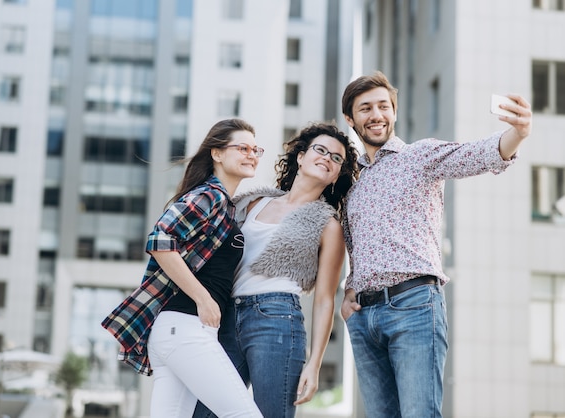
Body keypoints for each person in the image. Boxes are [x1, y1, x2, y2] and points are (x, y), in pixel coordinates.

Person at [339, 71, 532, 418]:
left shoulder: (419, 156)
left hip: (413, 306)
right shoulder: (351, 183)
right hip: (364, 317)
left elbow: (479, 154)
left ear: (394, 112)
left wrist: (517, 133)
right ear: (350, 119)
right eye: (365, 108)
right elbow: (355, 246)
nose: (376, 115)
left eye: (383, 106)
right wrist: (349, 291)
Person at [194, 122, 359, 418]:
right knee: (204, 412)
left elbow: (324, 300)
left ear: (337, 174)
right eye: (320, 150)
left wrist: (315, 363)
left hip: (278, 321)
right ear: (300, 157)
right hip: (227, 316)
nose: (327, 158)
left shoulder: (328, 224)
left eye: (337, 158)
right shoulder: (253, 202)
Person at [101, 118, 264, 418]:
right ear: (217, 153)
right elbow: (160, 240)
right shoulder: (209, 195)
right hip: (186, 329)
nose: (251, 154)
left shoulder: (225, 205)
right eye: (242, 147)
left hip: (174, 332)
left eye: (256, 149)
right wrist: (203, 298)